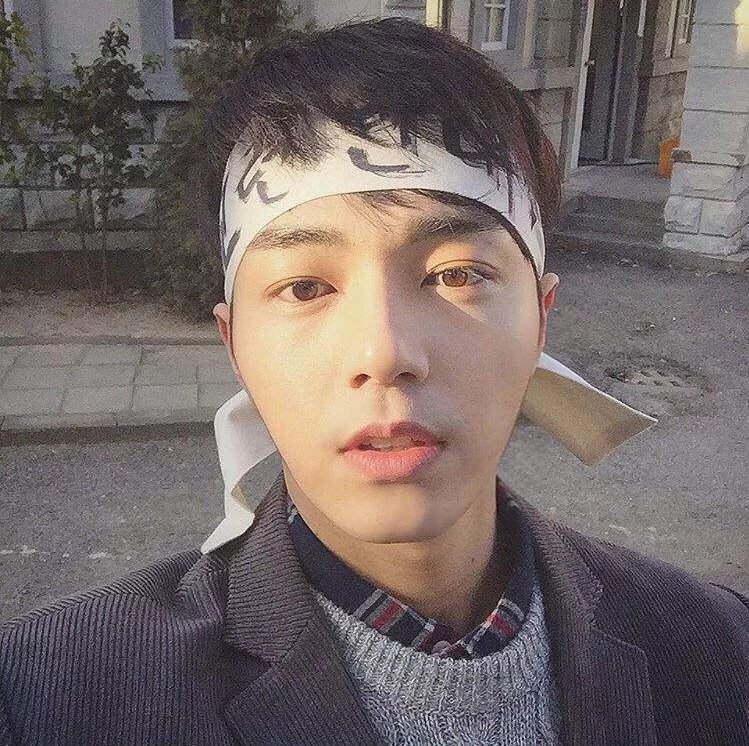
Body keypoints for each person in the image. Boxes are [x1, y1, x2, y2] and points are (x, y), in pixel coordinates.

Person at [1, 17, 747, 746]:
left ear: (540, 318)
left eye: (457, 275)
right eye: (305, 287)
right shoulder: (48, 699)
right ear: (235, 345)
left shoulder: (717, 652)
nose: (384, 352)